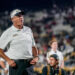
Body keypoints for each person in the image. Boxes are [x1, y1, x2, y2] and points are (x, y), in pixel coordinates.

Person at [0, 9, 38, 75]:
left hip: (29, 64)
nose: (21, 18)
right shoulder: (8, 33)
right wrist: (8, 60)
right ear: (12, 19)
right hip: (16, 65)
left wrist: (36, 57)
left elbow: (33, 46)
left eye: (21, 16)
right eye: (18, 16)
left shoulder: (28, 30)